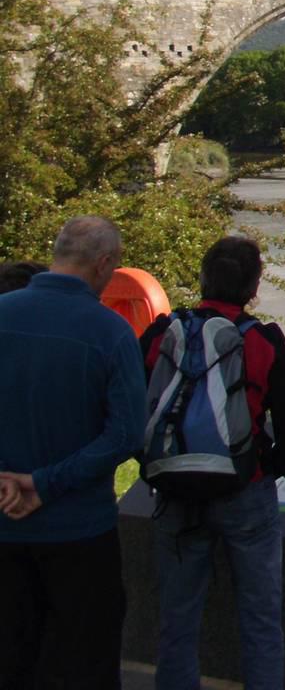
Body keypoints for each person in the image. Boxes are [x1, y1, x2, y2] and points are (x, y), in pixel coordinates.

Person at [139, 235, 285, 690]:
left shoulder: (162, 333)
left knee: (177, 619)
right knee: (260, 618)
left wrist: (158, 465)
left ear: (202, 279)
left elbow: (135, 412)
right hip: (244, 492)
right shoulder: (264, 341)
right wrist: (262, 468)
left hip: (174, 491)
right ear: (254, 288)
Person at [0, 216, 146, 689]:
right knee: (85, 663)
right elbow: (125, 435)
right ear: (103, 264)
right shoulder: (111, 332)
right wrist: (44, 484)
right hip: (79, 532)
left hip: (4, 527)